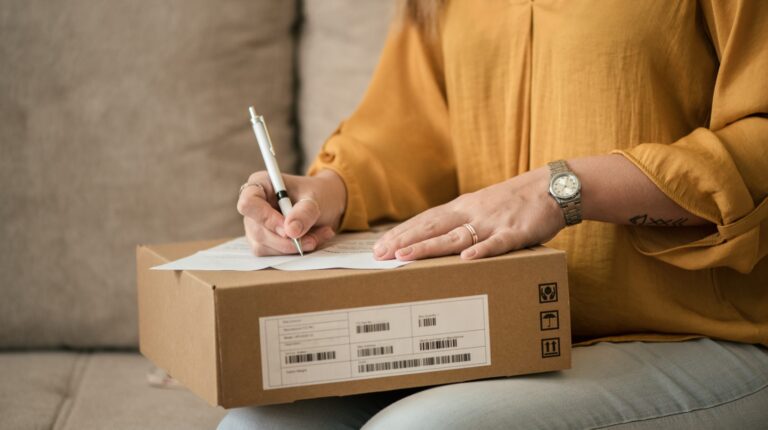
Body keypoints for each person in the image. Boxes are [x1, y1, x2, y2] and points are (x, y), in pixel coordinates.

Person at [222, 1, 768, 428]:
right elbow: (414, 131)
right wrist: (327, 191)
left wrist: (563, 189)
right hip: (498, 332)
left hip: (700, 334)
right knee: (257, 421)